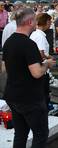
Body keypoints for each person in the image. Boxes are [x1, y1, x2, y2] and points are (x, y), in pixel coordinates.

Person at [2, 8, 55, 148]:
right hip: (30, 98)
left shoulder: (8, 42)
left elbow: (4, 68)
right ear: (30, 22)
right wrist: (47, 64)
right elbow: (37, 72)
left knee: (20, 134)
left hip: (13, 94)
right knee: (40, 134)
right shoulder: (29, 44)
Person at [30, 13, 53, 109]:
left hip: (36, 68)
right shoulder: (40, 36)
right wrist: (49, 59)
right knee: (44, 95)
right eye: (50, 21)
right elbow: (40, 53)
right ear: (47, 22)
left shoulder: (34, 34)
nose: (51, 23)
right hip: (42, 69)